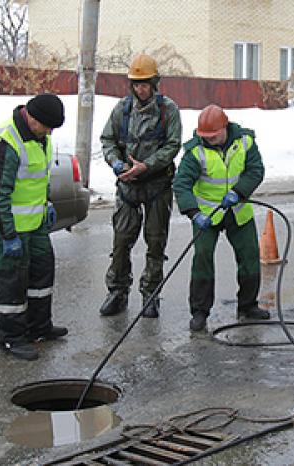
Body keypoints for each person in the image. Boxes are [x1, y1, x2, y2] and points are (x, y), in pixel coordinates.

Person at [0, 93, 68, 361]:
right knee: (11, 281)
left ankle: (38, 327)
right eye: (47, 126)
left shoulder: (42, 137)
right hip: (5, 227)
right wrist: (8, 235)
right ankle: (10, 338)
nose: (50, 132)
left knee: (42, 270)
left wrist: (47, 203)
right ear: (31, 117)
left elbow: (39, 178)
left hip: (35, 222)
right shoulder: (5, 143)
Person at [98, 54, 183, 318]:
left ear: (154, 83)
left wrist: (147, 165)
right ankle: (117, 291)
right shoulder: (122, 110)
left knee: (156, 242)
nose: (140, 89)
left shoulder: (168, 110)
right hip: (128, 186)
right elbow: (108, 140)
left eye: (145, 83)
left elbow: (172, 145)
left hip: (157, 185)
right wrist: (117, 165)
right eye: (136, 84)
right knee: (122, 241)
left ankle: (151, 294)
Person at [173, 104, 270, 332]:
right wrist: (194, 213)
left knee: (249, 258)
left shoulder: (245, 142)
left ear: (224, 127)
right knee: (203, 258)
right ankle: (199, 312)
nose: (209, 140)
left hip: (238, 212)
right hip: (207, 216)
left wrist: (239, 191)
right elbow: (181, 185)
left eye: (213, 136)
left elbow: (255, 170)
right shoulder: (194, 152)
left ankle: (248, 306)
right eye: (204, 136)